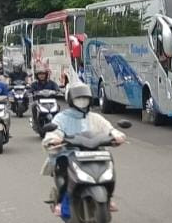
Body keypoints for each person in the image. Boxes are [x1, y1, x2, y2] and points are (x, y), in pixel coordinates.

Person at [43, 83, 126, 213]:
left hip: (94, 152)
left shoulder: (95, 117)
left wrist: (117, 135)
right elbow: (54, 132)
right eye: (78, 99)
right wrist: (54, 139)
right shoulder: (61, 117)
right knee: (63, 168)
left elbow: (109, 128)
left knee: (108, 162)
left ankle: (108, 197)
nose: (82, 102)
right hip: (69, 152)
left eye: (85, 99)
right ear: (71, 100)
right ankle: (61, 200)